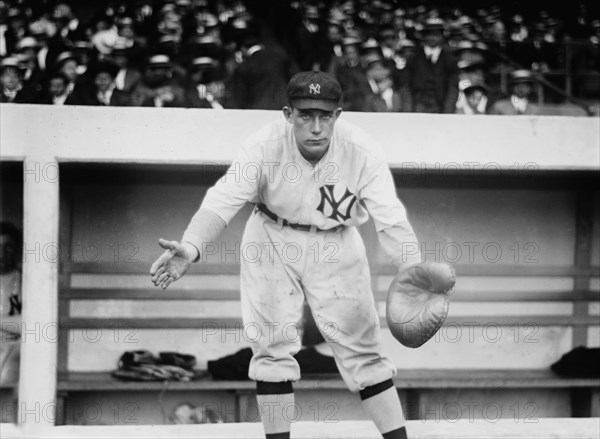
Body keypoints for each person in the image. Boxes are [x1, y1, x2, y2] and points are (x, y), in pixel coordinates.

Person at [150, 71, 421, 439]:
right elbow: (224, 199)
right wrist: (192, 245)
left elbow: (391, 219)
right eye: (305, 114)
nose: (315, 126)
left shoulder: (361, 150)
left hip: (336, 242)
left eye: (325, 115)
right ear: (287, 114)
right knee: (272, 349)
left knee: (364, 351)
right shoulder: (264, 144)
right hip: (271, 236)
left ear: (338, 116)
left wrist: (413, 269)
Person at [407, 18, 458, 113]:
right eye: (429, 34)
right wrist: (409, 109)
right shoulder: (414, 58)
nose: (432, 38)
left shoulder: (450, 59)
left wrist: (448, 110)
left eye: (436, 35)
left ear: (442, 37)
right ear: (424, 36)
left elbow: (453, 88)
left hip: (440, 106)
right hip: (417, 105)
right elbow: (407, 85)